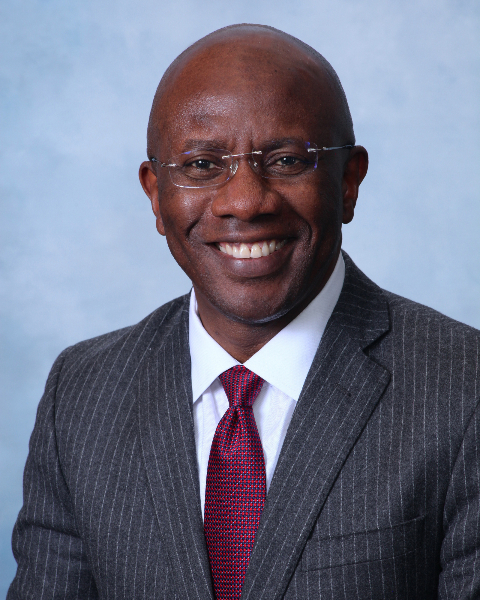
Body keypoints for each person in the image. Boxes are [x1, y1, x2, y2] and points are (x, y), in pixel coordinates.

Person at [8, 23, 480, 600]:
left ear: (349, 182)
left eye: (287, 160)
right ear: (155, 193)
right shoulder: (82, 395)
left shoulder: (464, 388)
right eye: (202, 165)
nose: (245, 201)